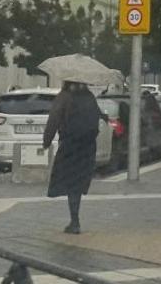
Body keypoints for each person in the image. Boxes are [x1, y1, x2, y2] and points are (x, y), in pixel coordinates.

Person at [43, 81, 103, 234]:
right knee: (77, 182)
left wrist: (46, 141)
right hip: (88, 146)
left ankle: (75, 221)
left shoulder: (64, 97)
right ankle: (75, 220)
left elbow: (54, 119)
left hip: (70, 144)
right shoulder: (89, 97)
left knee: (70, 182)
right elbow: (97, 117)